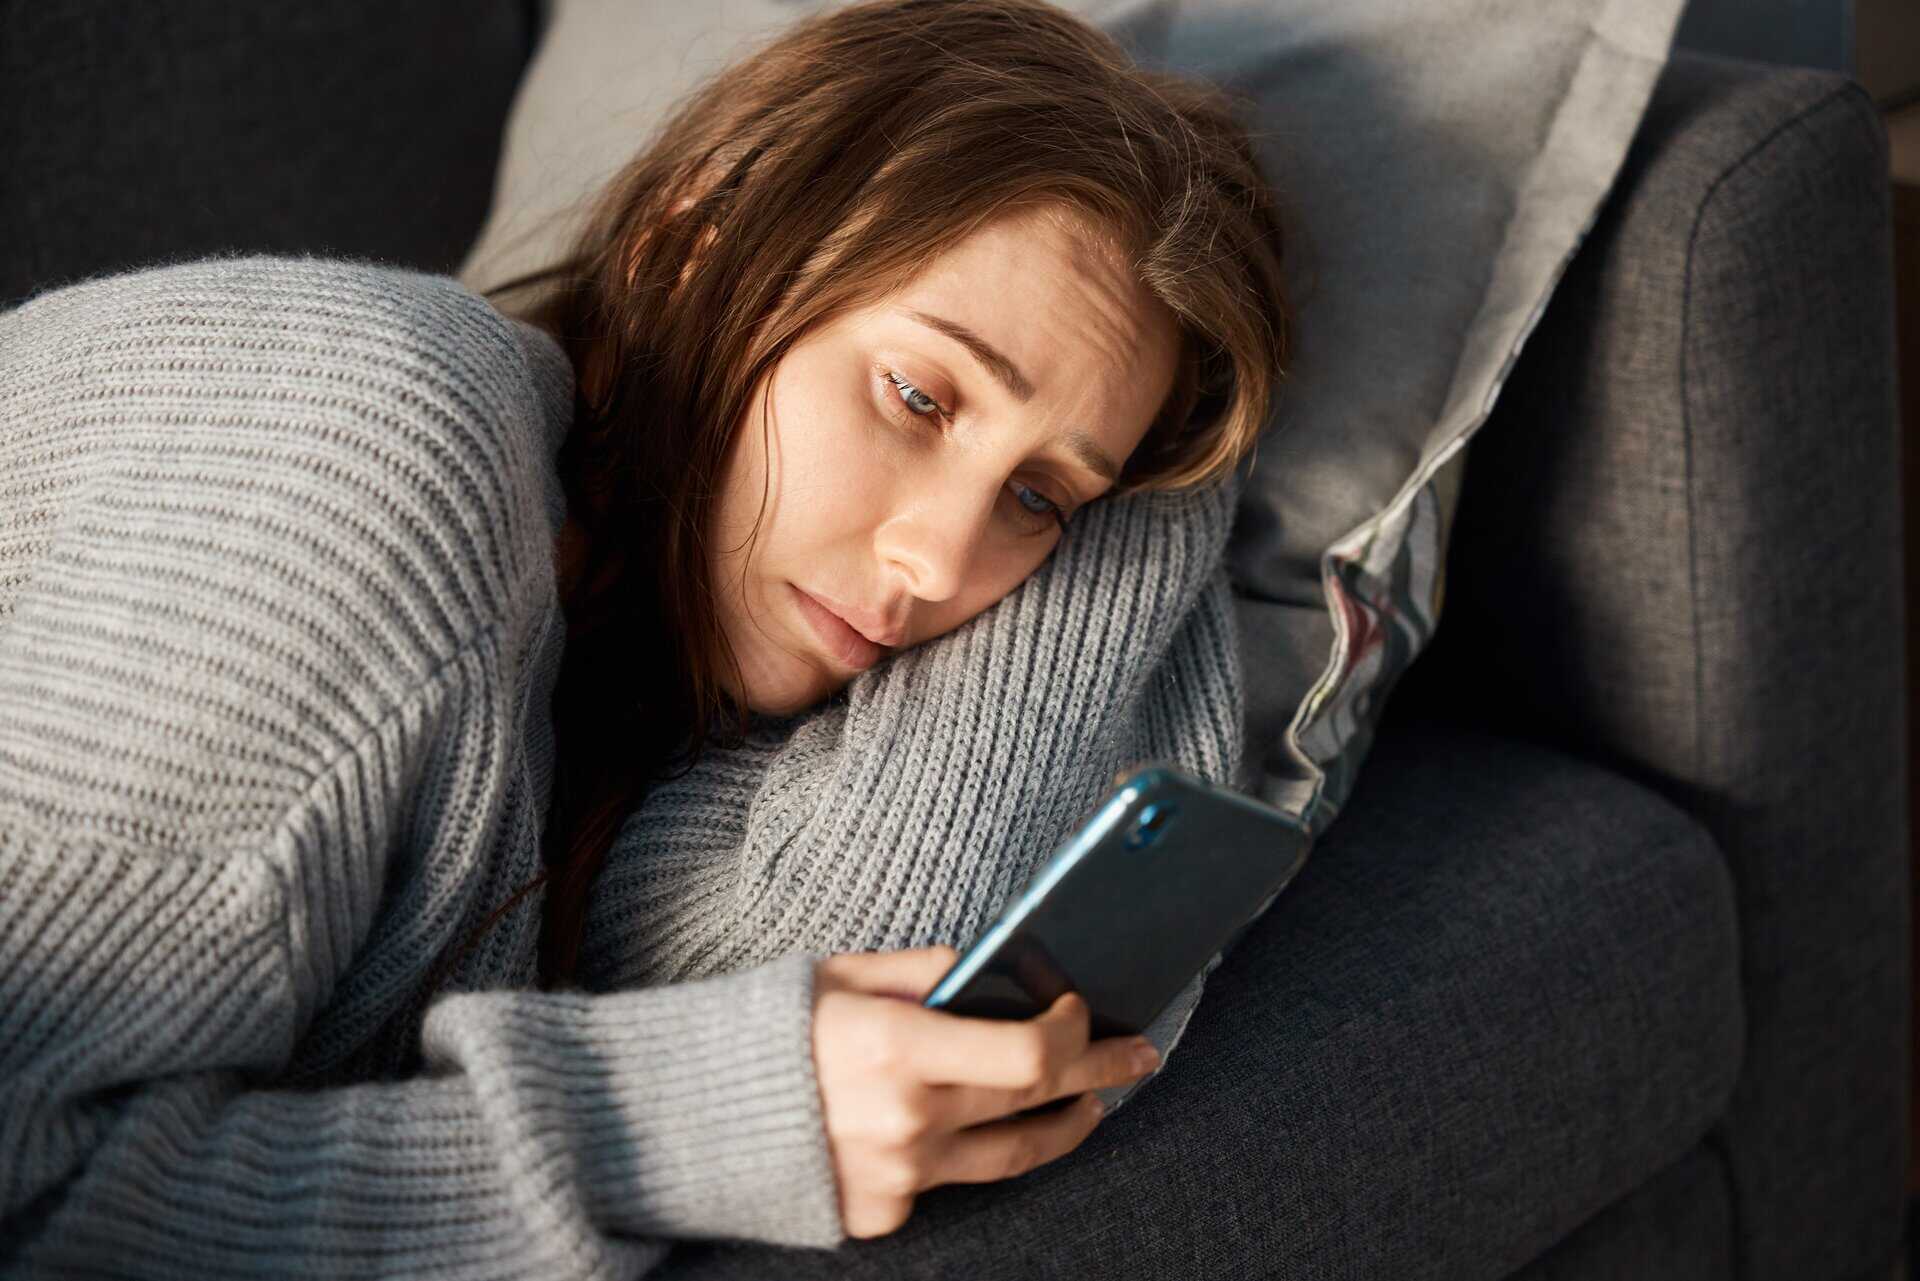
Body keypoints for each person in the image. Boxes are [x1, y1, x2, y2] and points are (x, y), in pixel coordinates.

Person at [0, 0, 1288, 1274]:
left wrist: (1147, 491)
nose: (941, 565)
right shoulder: (371, 459)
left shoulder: (633, 706)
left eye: (1037, 502)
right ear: (690, 248)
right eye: (917, 394)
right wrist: (659, 1131)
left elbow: (869, 953)